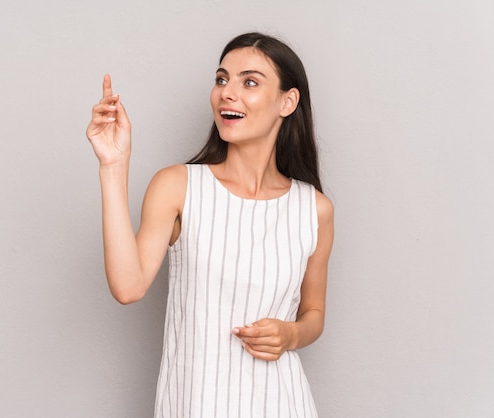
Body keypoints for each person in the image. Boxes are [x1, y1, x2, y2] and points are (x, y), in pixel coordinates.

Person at [86, 32, 334, 418]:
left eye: (249, 82)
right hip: (194, 404)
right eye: (222, 79)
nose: (227, 93)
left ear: (288, 101)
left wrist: (291, 335)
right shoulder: (178, 186)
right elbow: (127, 286)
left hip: (282, 403)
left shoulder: (314, 209)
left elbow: (314, 313)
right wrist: (113, 166)